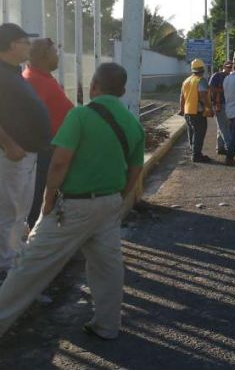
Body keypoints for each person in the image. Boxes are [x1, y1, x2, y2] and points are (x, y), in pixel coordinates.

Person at [0, 62, 145, 340]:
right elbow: (135, 170)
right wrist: (118, 200)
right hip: (109, 203)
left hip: (72, 207)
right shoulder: (133, 124)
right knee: (108, 267)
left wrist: (48, 201)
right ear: (123, 91)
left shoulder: (80, 115)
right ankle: (107, 325)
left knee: (29, 267)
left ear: (93, 86)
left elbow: (59, 163)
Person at [0, 23, 50, 281]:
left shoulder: (14, 72)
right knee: (8, 212)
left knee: (20, 210)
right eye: (24, 41)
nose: (29, 46)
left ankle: (13, 260)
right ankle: (5, 268)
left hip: (27, 154)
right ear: (10, 45)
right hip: (12, 155)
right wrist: (8, 143)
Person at [23, 38, 74, 228]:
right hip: (44, 151)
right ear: (45, 56)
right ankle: (36, 243)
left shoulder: (41, 77)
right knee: (38, 198)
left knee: (44, 196)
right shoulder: (33, 81)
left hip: (51, 148)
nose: (58, 56)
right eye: (55, 52)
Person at [180, 59, 212, 163]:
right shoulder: (200, 80)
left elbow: (182, 97)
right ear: (202, 69)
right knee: (199, 133)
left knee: (192, 133)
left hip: (187, 111)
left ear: (192, 70)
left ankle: (194, 152)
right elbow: (202, 95)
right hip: (197, 112)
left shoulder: (186, 80)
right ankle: (196, 155)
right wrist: (209, 107)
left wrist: (182, 110)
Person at [209, 61, 233, 156]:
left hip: (228, 104)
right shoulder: (217, 76)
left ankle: (220, 148)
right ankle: (230, 149)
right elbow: (210, 88)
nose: (230, 69)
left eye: (231, 67)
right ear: (224, 66)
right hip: (219, 104)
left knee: (222, 127)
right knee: (224, 128)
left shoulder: (230, 77)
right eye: (228, 67)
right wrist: (222, 90)